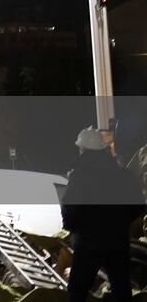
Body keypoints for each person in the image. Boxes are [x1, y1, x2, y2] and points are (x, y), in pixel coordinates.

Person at [62, 127, 144, 302]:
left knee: (77, 291)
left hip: (88, 243)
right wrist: (120, 223)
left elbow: (70, 210)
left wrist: (76, 228)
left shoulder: (79, 176)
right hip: (117, 241)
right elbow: (138, 206)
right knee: (121, 289)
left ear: (83, 149)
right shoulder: (122, 174)